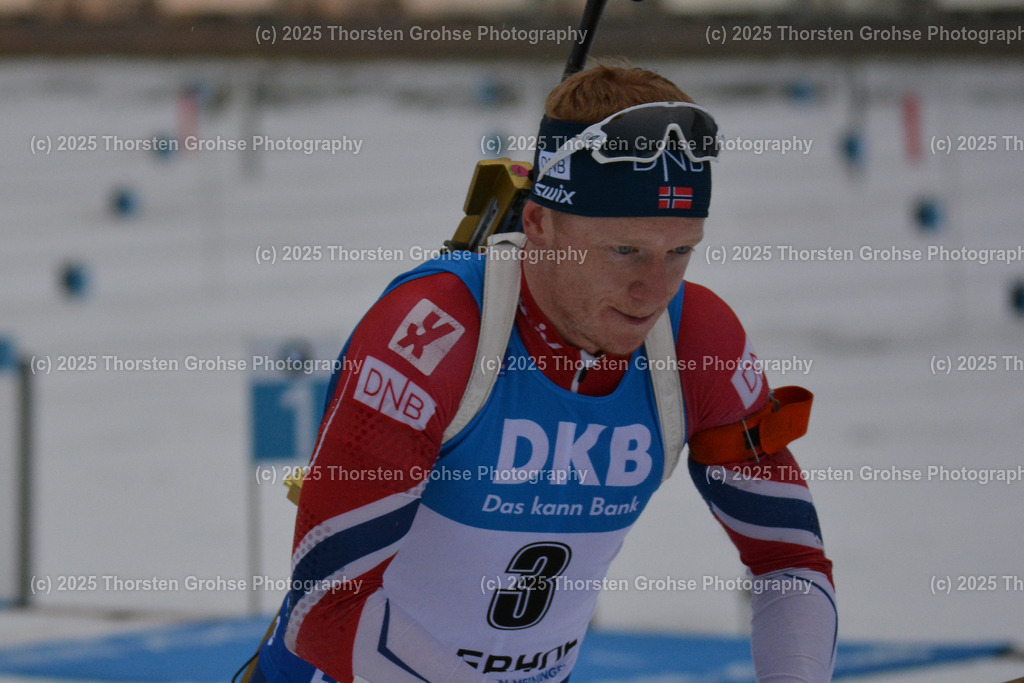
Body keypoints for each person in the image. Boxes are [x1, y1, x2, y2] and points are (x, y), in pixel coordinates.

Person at [246, 62, 837, 683]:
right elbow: (324, 608)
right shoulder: (433, 335)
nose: (652, 288)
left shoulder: (696, 340)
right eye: (624, 250)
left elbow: (790, 561)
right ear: (537, 225)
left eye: (680, 251)